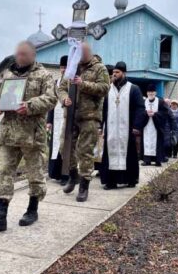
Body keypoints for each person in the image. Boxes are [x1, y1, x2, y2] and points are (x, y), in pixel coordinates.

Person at [0, 41, 57, 231]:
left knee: (35, 174)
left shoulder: (43, 75)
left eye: (24, 54)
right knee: (4, 171)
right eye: (18, 54)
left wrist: (29, 105)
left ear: (33, 55)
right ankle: (0, 216)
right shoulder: (8, 75)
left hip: (32, 134)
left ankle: (32, 209)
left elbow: (51, 98)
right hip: (9, 134)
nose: (20, 57)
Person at [58, 43, 110, 202]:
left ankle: (84, 185)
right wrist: (64, 98)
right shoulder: (71, 67)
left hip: (90, 116)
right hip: (71, 115)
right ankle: (73, 176)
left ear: (88, 53)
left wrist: (83, 84)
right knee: (64, 147)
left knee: (85, 151)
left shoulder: (99, 68)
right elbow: (61, 87)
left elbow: (105, 88)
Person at [99, 62, 145, 189]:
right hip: (111, 129)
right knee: (110, 154)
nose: (114, 75)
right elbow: (102, 109)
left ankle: (130, 180)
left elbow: (140, 108)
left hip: (127, 129)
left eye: (117, 72)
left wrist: (136, 126)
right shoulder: (108, 89)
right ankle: (110, 181)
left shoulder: (133, 89)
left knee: (129, 154)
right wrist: (100, 125)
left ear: (124, 73)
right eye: (113, 73)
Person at [47, 55, 68, 186]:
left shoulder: (72, 82)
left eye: (66, 67)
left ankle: (65, 175)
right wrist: (49, 120)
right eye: (62, 67)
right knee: (54, 145)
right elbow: (51, 102)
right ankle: (54, 173)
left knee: (65, 146)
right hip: (56, 117)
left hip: (67, 119)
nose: (63, 70)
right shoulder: (55, 83)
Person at [142, 84, 168, 166]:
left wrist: (155, 114)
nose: (151, 93)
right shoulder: (144, 102)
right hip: (146, 125)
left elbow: (164, 113)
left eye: (152, 92)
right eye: (149, 92)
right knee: (147, 142)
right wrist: (146, 113)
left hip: (156, 126)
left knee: (157, 142)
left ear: (155, 93)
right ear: (147, 93)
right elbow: (140, 112)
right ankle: (147, 160)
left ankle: (158, 160)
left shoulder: (160, 102)